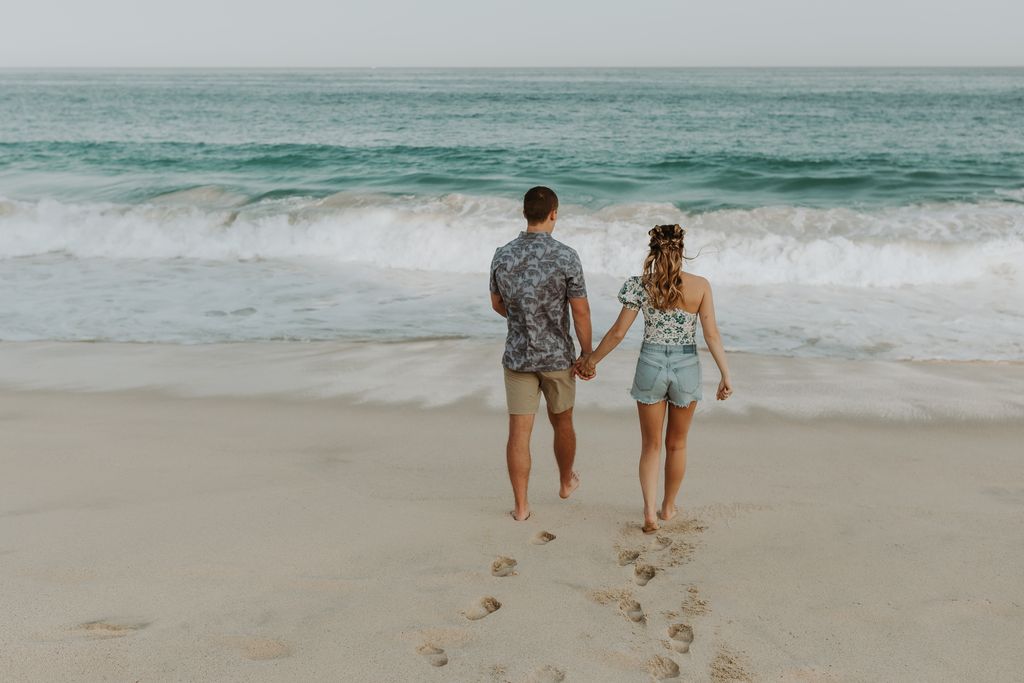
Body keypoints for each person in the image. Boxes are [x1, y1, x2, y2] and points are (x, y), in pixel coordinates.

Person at [578, 224, 732, 533]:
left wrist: (590, 361)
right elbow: (711, 334)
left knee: (650, 445)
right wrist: (725, 375)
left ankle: (649, 513)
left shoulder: (640, 285)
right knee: (677, 445)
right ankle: (668, 508)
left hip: (650, 364)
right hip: (686, 366)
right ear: (681, 249)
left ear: (653, 250)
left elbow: (618, 332)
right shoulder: (700, 286)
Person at [489, 186, 592, 521]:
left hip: (518, 357)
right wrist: (587, 354)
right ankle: (565, 482)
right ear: (554, 213)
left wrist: (523, 319)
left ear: (524, 214)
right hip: (557, 357)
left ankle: (521, 507)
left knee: (519, 433)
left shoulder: (503, 255)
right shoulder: (566, 256)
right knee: (563, 423)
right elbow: (580, 312)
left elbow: (496, 303)